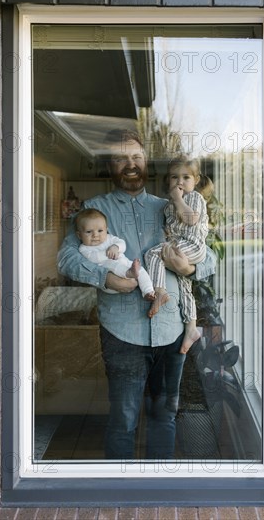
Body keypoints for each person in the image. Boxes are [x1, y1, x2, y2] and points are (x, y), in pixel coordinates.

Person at [57, 129, 216, 460]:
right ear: (110, 165)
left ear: (146, 163)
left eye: (136, 157)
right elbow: (67, 257)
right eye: (120, 158)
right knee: (124, 420)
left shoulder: (170, 206)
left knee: (165, 416)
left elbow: (208, 255)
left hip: (171, 331)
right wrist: (105, 278)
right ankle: (119, 496)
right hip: (122, 334)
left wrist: (189, 269)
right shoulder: (92, 209)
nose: (130, 164)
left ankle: (158, 492)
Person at [144, 156, 208, 353]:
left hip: (192, 244)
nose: (179, 182)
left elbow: (190, 219)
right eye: (174, 177)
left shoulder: (194, 197)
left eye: (186, 177)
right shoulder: (168, 205)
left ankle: (159, 291)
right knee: (184, 286)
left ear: (196, 181)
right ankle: (191, 327)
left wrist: (178, 198)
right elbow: (171, 227)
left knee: (153, 254)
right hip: (180, 245)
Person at [75, 207, 155, 299]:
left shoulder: (110, 238)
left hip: (126, 264)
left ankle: (148, 292)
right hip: (110, 278)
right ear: (79, 235)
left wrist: (115, 247)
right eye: (89, 232)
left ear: (106, 230)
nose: (95, 235)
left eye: (100, 231)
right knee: (111, 264)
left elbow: (122, 244)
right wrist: (107, 253)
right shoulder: (84, 248)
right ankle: (129, 273)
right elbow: (93, 258)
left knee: (141, 271)